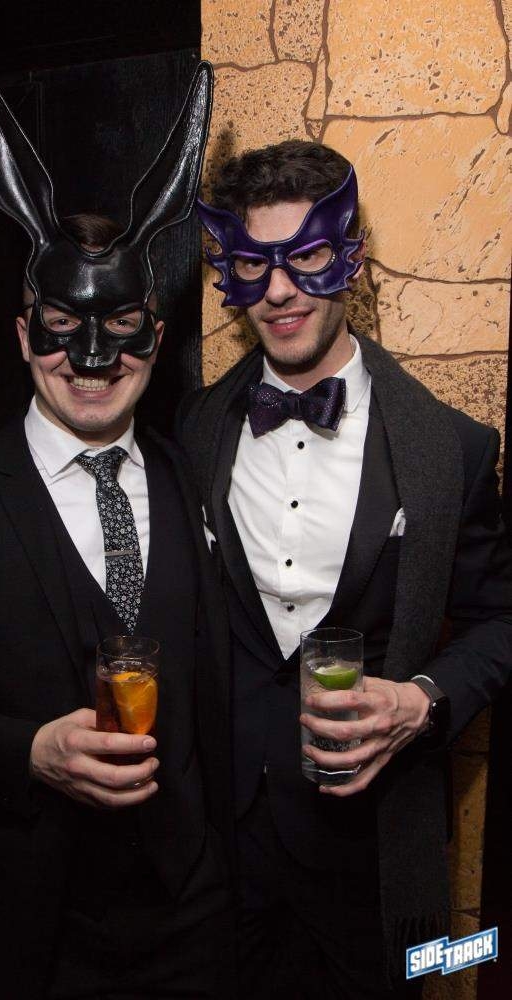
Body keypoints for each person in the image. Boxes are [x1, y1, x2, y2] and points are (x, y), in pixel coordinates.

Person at [0, 45, 235, 1000]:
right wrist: (26, 751)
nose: (91, 359)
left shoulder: (196, 478)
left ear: (155, 334)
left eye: (121, 328)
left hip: (191, 921)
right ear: (25, 335)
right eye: (62, 327)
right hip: (18, 930)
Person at [177, 138, 512, 999]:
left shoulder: (451, 450)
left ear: (350, 260)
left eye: (308, 257)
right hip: (225, 845)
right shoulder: (196, 430)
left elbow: (501, 621)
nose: (279, 290)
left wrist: (423, 700)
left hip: (369, 850)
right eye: (253, 264)